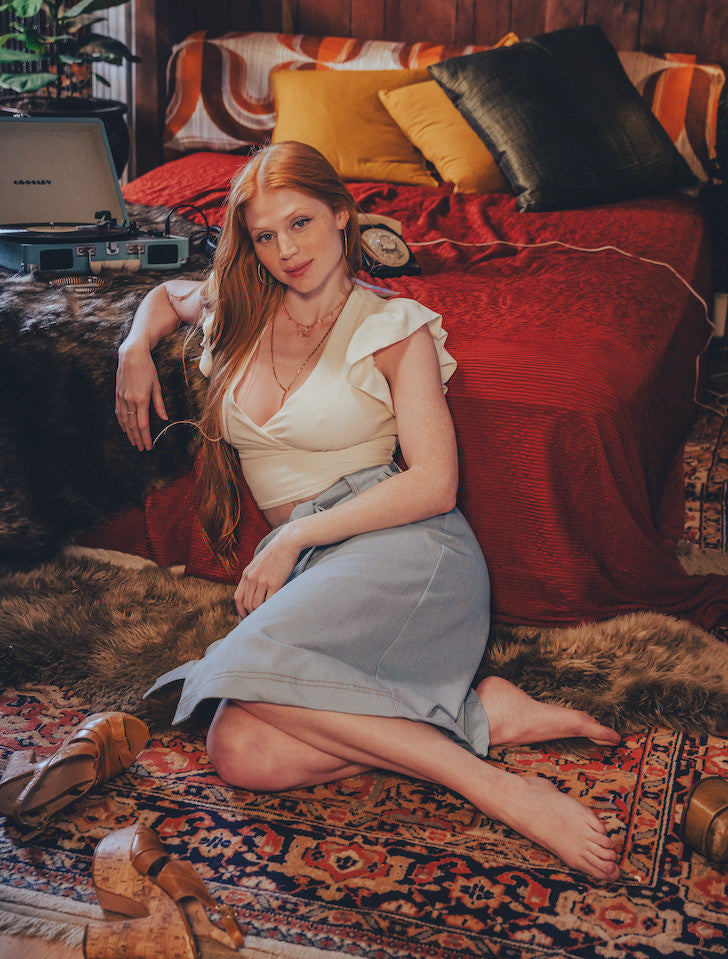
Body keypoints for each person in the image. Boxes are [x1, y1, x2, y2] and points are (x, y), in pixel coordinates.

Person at [115, 140, 622, 881]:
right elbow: (165, 298)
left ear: (342, 215)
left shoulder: (393, 327)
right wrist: (134, 347)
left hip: (404, 543)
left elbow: (435, 483)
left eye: (301, 223)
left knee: (234, 675)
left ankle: (495, 787)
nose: (287, 251)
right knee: (240, 750)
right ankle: (479, 717)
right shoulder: (238, 306)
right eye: (265, 235)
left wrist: (294, 537)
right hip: (320, 560)